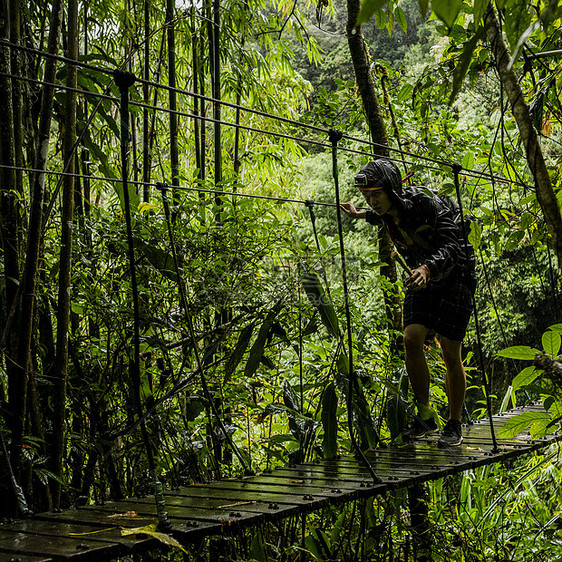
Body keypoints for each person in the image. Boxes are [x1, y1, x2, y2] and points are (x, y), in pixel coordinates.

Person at [340, 158, 476, 448]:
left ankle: (454, 424)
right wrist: (359, 214)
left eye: (376, 194)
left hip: (456, 272)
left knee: (450, 349)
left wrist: (428, 268)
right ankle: (426, 416)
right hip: (421, 274)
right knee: (411, 338)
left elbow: (453, 245)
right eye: (368, 196)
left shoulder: (424, 203)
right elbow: (379, 216)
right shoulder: (386, 212)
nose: (373, 201)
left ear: (391, 189)